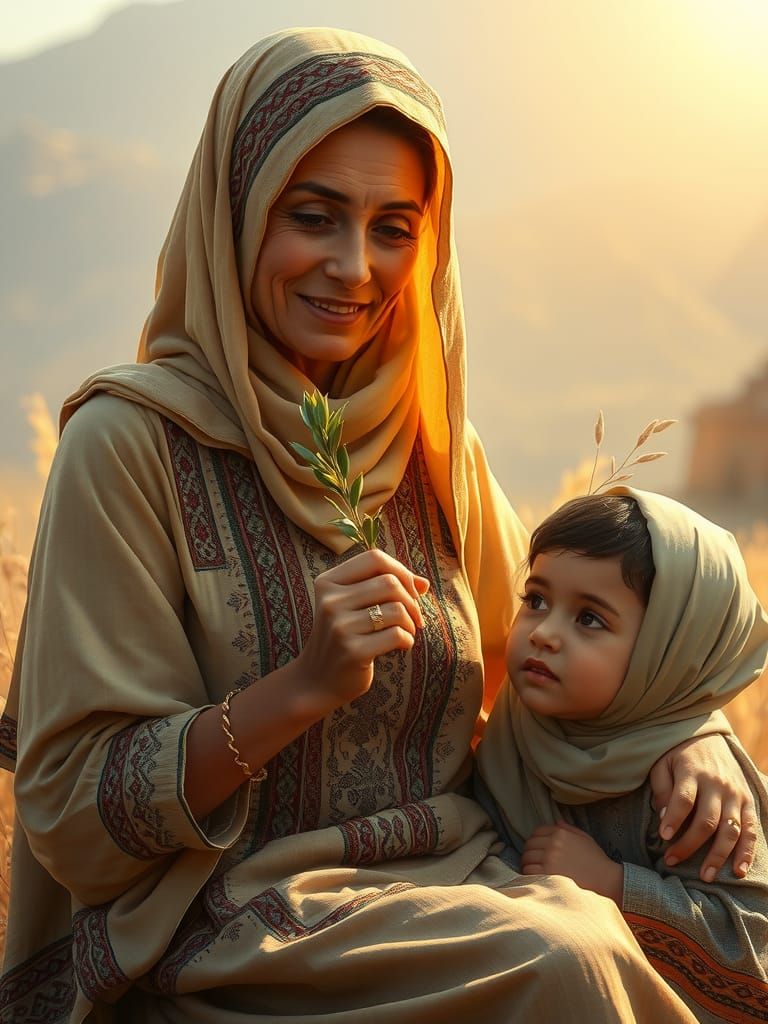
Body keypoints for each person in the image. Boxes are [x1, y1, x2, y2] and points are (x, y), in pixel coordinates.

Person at [0, 27, 757, 1023]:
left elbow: (541, 662)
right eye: (313, 217)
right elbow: (73, 803)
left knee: (619, 931)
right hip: (229, 920)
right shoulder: (131, 445)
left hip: (455, 874)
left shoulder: (436, 446)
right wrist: (298, 690)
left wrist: (689, 734)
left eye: (395, 229)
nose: (355, 267)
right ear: (235, 216)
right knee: (561, 960)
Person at [476, 488, 768, 1022]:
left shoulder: (689, 790)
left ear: (669, 651)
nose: (543, 634)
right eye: (536, 600)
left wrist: (614, 887)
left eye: (589, 619)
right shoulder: (516, 730)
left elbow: (753, 959)